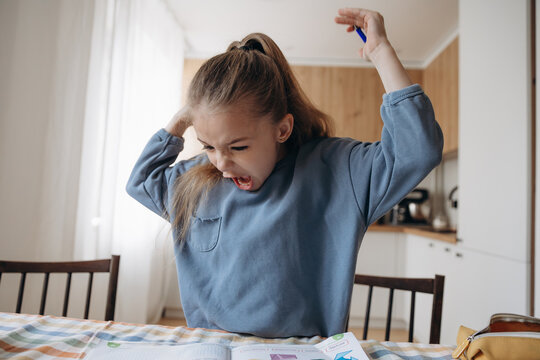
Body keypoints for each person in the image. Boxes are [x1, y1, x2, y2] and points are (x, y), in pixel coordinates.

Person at [126, 8, 443, 338]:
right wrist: (181, 121)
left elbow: (417, 150)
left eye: (238, 147)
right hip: (215, 348)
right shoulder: (199, 179)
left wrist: (380, 51)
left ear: (282, 129)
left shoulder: (337, 170)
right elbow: (141, 181)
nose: (220, 163)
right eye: (208, 146)